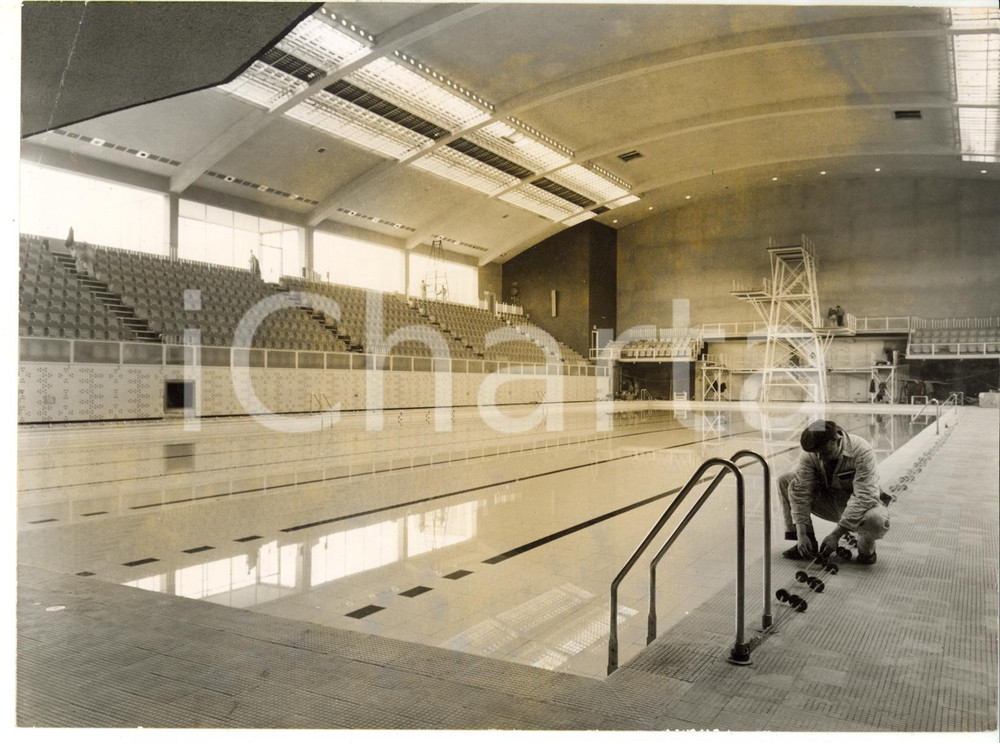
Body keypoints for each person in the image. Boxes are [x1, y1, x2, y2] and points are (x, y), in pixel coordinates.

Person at [777, 419, 891, 565]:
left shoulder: (861, 450)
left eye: (825, 452)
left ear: (837, 439)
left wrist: (835, 535)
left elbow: (865, 497)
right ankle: (808, 543)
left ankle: (866, 551)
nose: (820, 458)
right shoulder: (812, 454)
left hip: (858, 506)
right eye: (816, 454)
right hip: (829, 503)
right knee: (786, 481)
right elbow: (801, 493)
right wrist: (802, 533)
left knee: (875, 519)